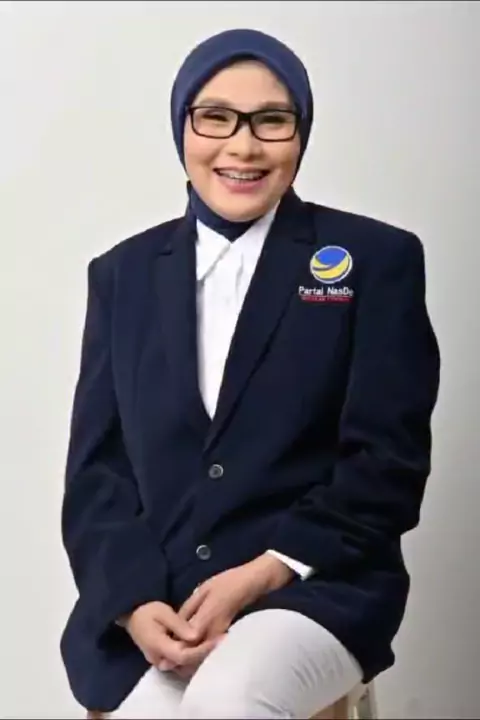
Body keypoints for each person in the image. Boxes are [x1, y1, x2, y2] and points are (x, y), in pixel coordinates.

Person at [60, 28, 441, 719]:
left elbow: (387, 463)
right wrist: (134, 602)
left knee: (229, 700)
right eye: (216, 117)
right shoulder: (121, 275)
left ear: (302, 132)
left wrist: (263, 573)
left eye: (271, 120)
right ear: (182, 126)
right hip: (162, 598)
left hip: (315, 585)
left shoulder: (373, 259)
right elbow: (97, 477)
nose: (243, 146)